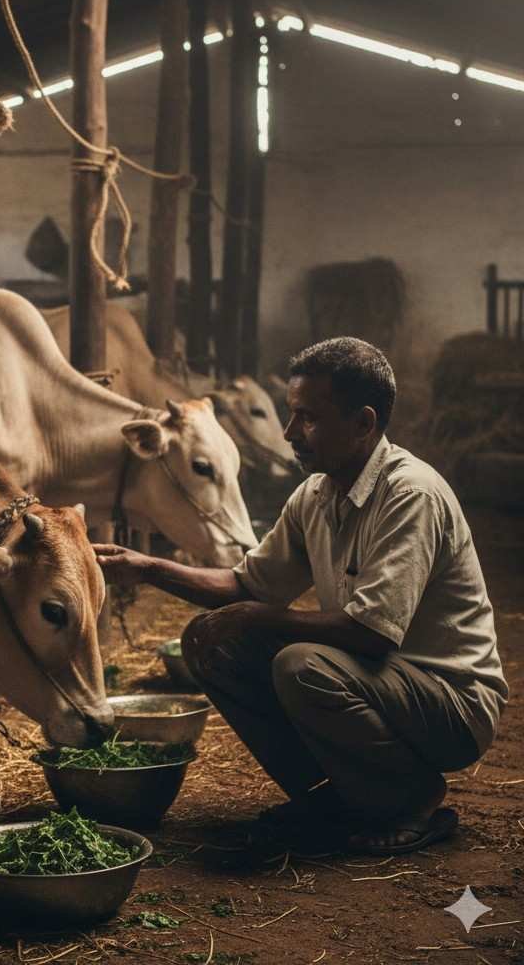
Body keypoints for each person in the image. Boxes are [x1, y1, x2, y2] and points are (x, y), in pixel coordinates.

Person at [95, 337, 507, 854]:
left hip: (450, 704)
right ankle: (333, 795)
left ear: (363, 423)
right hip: (379, 682)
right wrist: (146, 567)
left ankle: (412, 798)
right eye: (291, 416)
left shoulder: (410, 495)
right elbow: (244, 585)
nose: (290, 433)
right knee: (209, 640)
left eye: (307, 418)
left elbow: (371, 633)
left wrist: (260, 616)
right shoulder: (316, 493)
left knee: (300, 665)